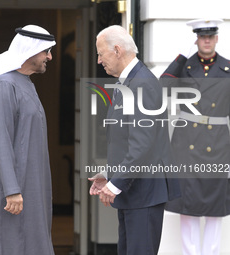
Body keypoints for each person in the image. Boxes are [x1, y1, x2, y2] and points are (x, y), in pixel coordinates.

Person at [88, 25, 180, 255]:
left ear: (117, 50)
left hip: (144, 193)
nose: (99, 61)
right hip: (134, 193)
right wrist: (110, 174)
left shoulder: (142, 83)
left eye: (101, 53)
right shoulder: (129, 81)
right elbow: (126, 141)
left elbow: (143, 145)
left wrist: (116, 183)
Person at [0, 25, 56, 255]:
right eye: (46, 51)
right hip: (10, 191)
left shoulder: (25, 83)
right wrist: (11, 190)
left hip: (28, 185)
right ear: (31, 50)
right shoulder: (4, 86)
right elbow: (0, 140)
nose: (49, 57)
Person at [160, 19, 230, 255]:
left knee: (214, 210)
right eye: (202, 36)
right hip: (186, 147)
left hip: (218, 146)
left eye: (211, 36)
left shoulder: (228, 69)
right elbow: (159, 90)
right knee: (187, 209)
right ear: (196, 39)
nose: (207, 40)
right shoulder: (184, 67)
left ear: (217, 38)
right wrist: (180, 58)